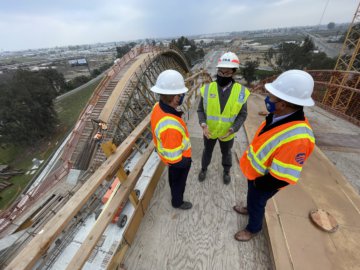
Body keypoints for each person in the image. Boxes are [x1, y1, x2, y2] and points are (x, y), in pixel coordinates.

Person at [234, 70, 316, 241]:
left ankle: (253, 229)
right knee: (252, 199)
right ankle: (249, 207)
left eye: (271, 97)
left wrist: (258, 183)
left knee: (257, 203)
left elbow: (282, 177)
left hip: (265, 182)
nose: (267, 99)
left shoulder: (298, 138)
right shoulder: (277, 116)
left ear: (283, 104)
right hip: (256, 173)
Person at [197, 52, 250, 184]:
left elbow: (242, 114)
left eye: (226, 73)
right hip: (210, 131)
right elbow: (200, 110)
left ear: (233, 73)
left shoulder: (241, 92)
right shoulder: (207, 89)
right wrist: (203, 124)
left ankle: (226, 171)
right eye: (220, 72)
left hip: (228, 133)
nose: (222, 75)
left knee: (226, 153)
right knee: (207, 151)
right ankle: (203, 168)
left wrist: (233, 129)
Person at [150, 70, 193, 210]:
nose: (182, 97)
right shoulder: (170, 125)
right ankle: (177, 202)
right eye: (181, 95)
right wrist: (186, 161)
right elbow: (175, 159)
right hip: (179, 161)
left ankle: (175, 194)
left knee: (173, 179)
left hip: (167, 157)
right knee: (179, 183)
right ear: (175, 98)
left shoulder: (158, 106)